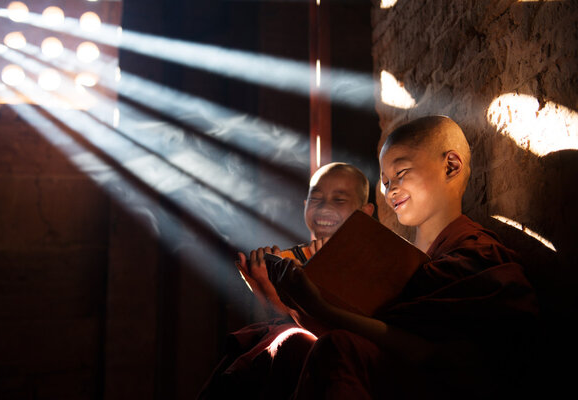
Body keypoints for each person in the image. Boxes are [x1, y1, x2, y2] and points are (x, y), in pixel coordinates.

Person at [269, 116, 539, 399]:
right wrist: (294, 300)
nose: (390, 190)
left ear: (451, 166)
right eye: (385, 181)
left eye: (401, 173)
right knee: (287, 346)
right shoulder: (394, 256)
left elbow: (442, 357)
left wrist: (319, 307)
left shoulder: (477, 253)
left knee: (335, 347)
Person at [198, 162, 375, 399]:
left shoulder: (372, 260)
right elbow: (285, 317)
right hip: (304, 341)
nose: (324, 207)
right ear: (305, 206)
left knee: (293, 341)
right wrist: (267, 291)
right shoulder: (294, 259)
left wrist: (278, 297)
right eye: (316, 199)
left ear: (366, 213)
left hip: (339, 350)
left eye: (339, 200)